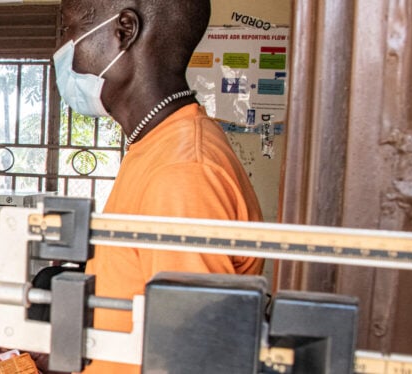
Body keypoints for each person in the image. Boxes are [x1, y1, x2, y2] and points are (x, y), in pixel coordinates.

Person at [52, 0, 264, 373]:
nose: (63, 49)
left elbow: (190, 360)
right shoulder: (156, 144)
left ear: (125, 31)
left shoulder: (183, 172)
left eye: (68, 29)